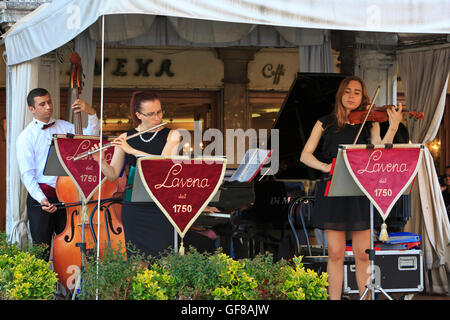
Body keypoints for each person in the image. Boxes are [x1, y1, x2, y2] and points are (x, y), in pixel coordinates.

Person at [299, 76, 403, 300]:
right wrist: (325, 166)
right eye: (347, 91)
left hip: (360, 190)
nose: (351, 96)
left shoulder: (370, 122)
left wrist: (392, 126)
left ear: (363, 97)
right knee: (335, 254)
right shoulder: (324, 122)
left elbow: (379, 154)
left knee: (363, 255)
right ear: (340, 95)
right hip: (333, 188)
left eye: (357, 92)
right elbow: (305, 155)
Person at [92, 91, 181, 258]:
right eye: (151, 114)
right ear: (139, 115)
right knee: (136, 258)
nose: (158, 117)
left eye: (159, 111)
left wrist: (131, 150)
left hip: (161, 204)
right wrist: (101, 161)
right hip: (134, 204)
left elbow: (162, 165)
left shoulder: (172, 135)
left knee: (165, 257)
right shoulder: (125, 137)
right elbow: (112, 175)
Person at [16, 88, 99, 255]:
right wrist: (41, 199)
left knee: (68, 246)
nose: (48, 107)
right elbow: (27, 174)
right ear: (32, 109)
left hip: (67, 196)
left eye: (49, 102)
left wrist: (91, 112)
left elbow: (91, 136)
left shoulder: (64, 126)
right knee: (42, 250)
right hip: (41, 197)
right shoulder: (26, 136)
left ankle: (66, 279)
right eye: (42, 104)